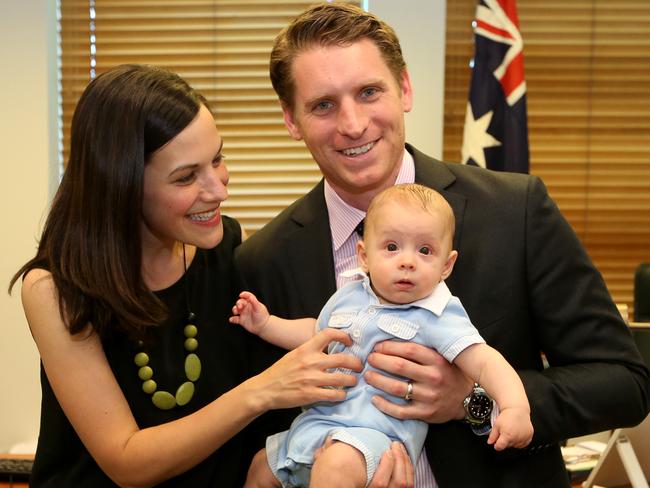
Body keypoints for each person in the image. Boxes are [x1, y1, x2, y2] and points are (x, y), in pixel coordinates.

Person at [234, 3, 650, 487]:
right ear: (291, 119)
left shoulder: (515, 212)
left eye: (369, 92)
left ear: (405, 89)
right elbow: (259, 431)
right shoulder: (261, 261)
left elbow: (624, 383)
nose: (352, 124)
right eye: (323, 105)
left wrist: (469, 402)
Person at [8, 64, 371, 487]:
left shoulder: (228, 249)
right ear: (121, 186)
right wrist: (264, 390)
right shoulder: (55, 289)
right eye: (185, 177)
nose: (218, 189)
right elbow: (127, 461)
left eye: (217, 158)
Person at [231, 184, 534, 488]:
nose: (407, 261)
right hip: (315, 425)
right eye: (391, 247)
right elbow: (316, 333)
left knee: (335, 468)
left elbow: (485, 361)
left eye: (424, 250)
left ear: (446, 265)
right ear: (364, 256)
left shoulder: (439, 314)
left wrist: (514, 407)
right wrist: (266, 324)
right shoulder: (349, 295)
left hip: (376, 435)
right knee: (260, 466)